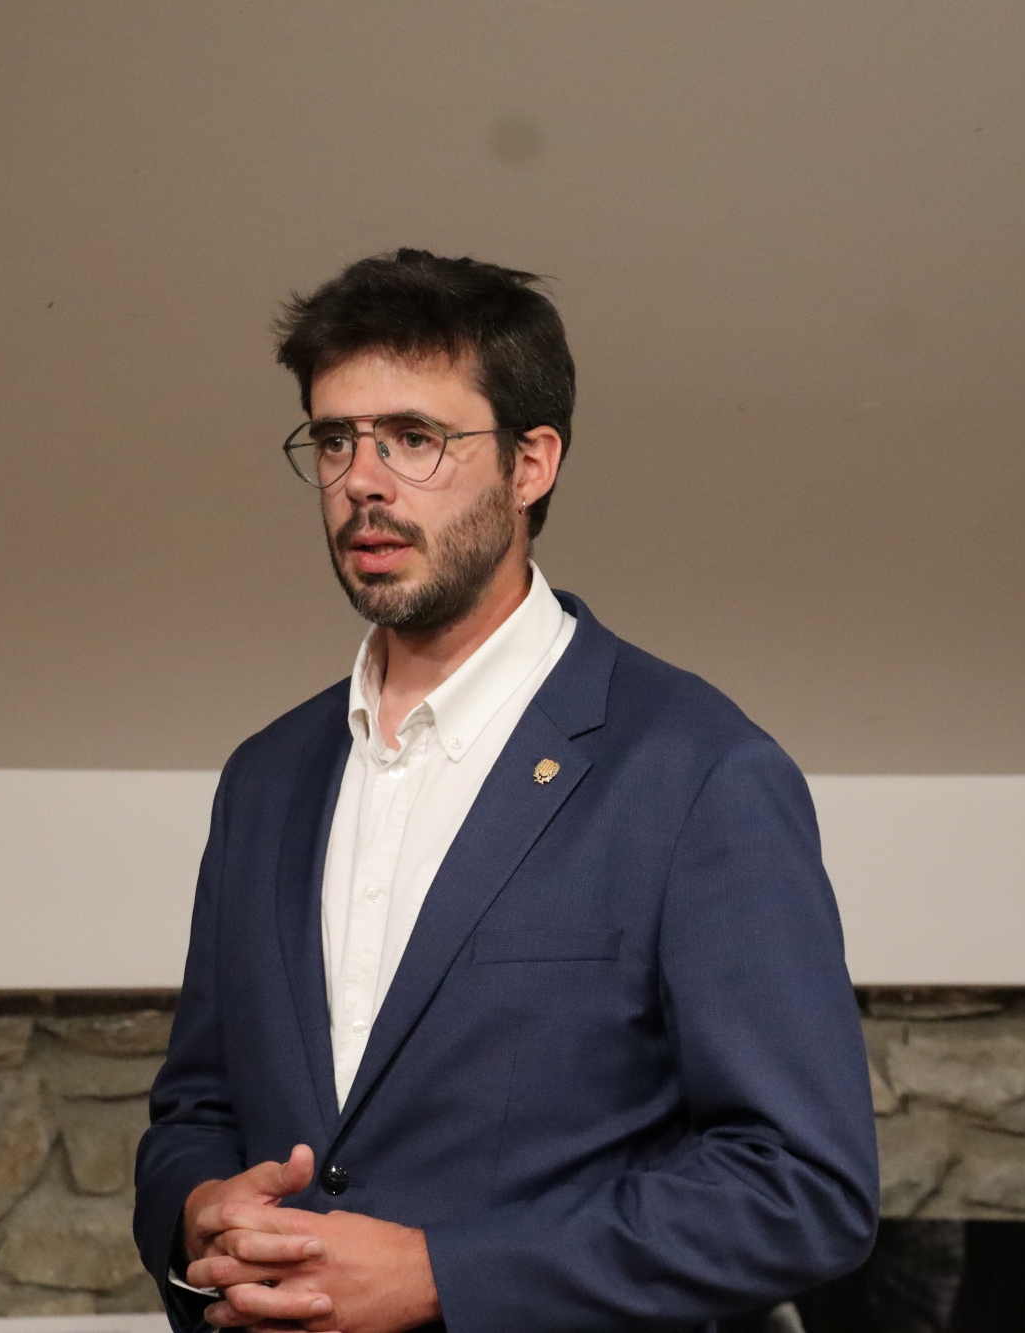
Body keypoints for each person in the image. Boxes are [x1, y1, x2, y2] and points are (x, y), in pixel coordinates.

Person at [133, 249, 878, 1333]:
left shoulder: (697, 773)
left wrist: (445, 1273)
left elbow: (801, 1189)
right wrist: (196, 1212)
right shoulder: (266, 777)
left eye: (414, 438)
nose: (363, 480)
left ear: (531, 464)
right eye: (335, 440)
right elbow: (195, 1108)